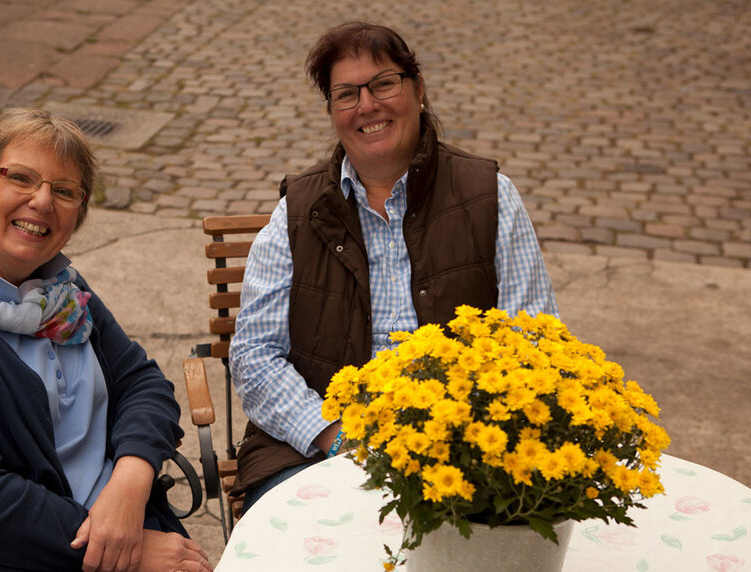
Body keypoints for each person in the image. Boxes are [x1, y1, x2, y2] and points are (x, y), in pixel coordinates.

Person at [0, 108, 212, 572]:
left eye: (64, 191)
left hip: (108, 523)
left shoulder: (62, 295)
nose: (42, 201)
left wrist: (129, 484)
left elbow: (142, 384)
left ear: (77, 215)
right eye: (21, 178)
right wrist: (117, 546)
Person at [228, 22, 559, 513]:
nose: (367, 105)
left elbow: (534, 340)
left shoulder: (490, 198)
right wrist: (337, 439)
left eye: (383, 83)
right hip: (315, 453)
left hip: (466, 453)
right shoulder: (298, 212)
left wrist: (461, 439)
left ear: (418, 89)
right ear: (333, 112)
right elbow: (255, 355)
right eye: (346, 94)